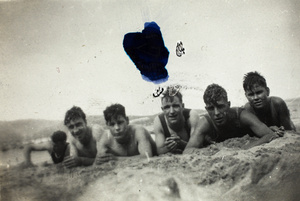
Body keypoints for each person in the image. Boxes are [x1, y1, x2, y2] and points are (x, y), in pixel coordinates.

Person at [183, 84, 282, 154]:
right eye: (211, 108)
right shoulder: (205, 122)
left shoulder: (241, 115)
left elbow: (269, 134)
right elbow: (188, 150)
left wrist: (247, 148)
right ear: (206, 109)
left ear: (228, 105)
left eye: (220, 107)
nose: (216, 113)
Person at [153, 86, 202, 154]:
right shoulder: (159, 121)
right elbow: (159, 151)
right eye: (167, 107)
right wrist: (168, 147)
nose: (172, 111)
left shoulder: (191, 116)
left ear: (182, 106)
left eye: (175, 106)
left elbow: (198, 146)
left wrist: (180, 143)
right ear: (163, 110)